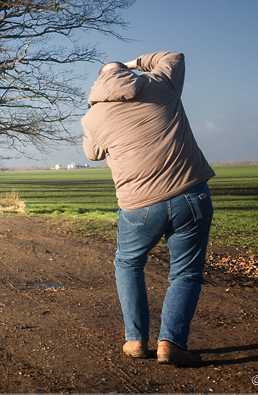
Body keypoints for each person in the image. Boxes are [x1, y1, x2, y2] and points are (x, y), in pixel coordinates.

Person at [81, 52, 215, 367]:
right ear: (126, 74)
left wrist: (97, 108)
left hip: (138, 205)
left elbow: (92, 153)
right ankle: (171, 343)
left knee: (128, 264)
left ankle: (136, 340)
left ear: (99, 83)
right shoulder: (160, 84)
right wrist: (132, 64)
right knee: (186, 271)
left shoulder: (94, 117)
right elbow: (175, 56)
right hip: (190, 194)